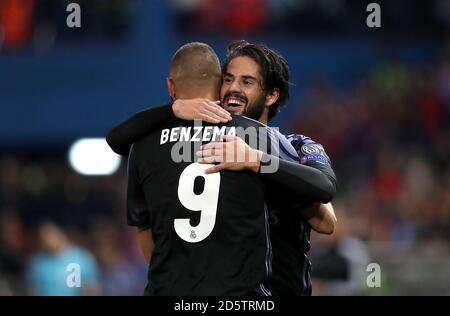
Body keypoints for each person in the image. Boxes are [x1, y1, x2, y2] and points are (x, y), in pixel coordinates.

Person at [109, 41, 337, 295]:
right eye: (228, 79)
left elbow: (327, 219)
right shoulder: (239, 140)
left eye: (247, 82)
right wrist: (172, 109)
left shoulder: (289, 145)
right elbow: (118, 139)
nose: (234, 89)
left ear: (271, 95)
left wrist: (256, 161)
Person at [27, 222, 100, 296]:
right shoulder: (37, 263)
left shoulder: (82, 258)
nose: (49, 240)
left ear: (60, 233)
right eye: (43, 239)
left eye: (52, 235)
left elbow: (91, 288)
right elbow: (33, 289)